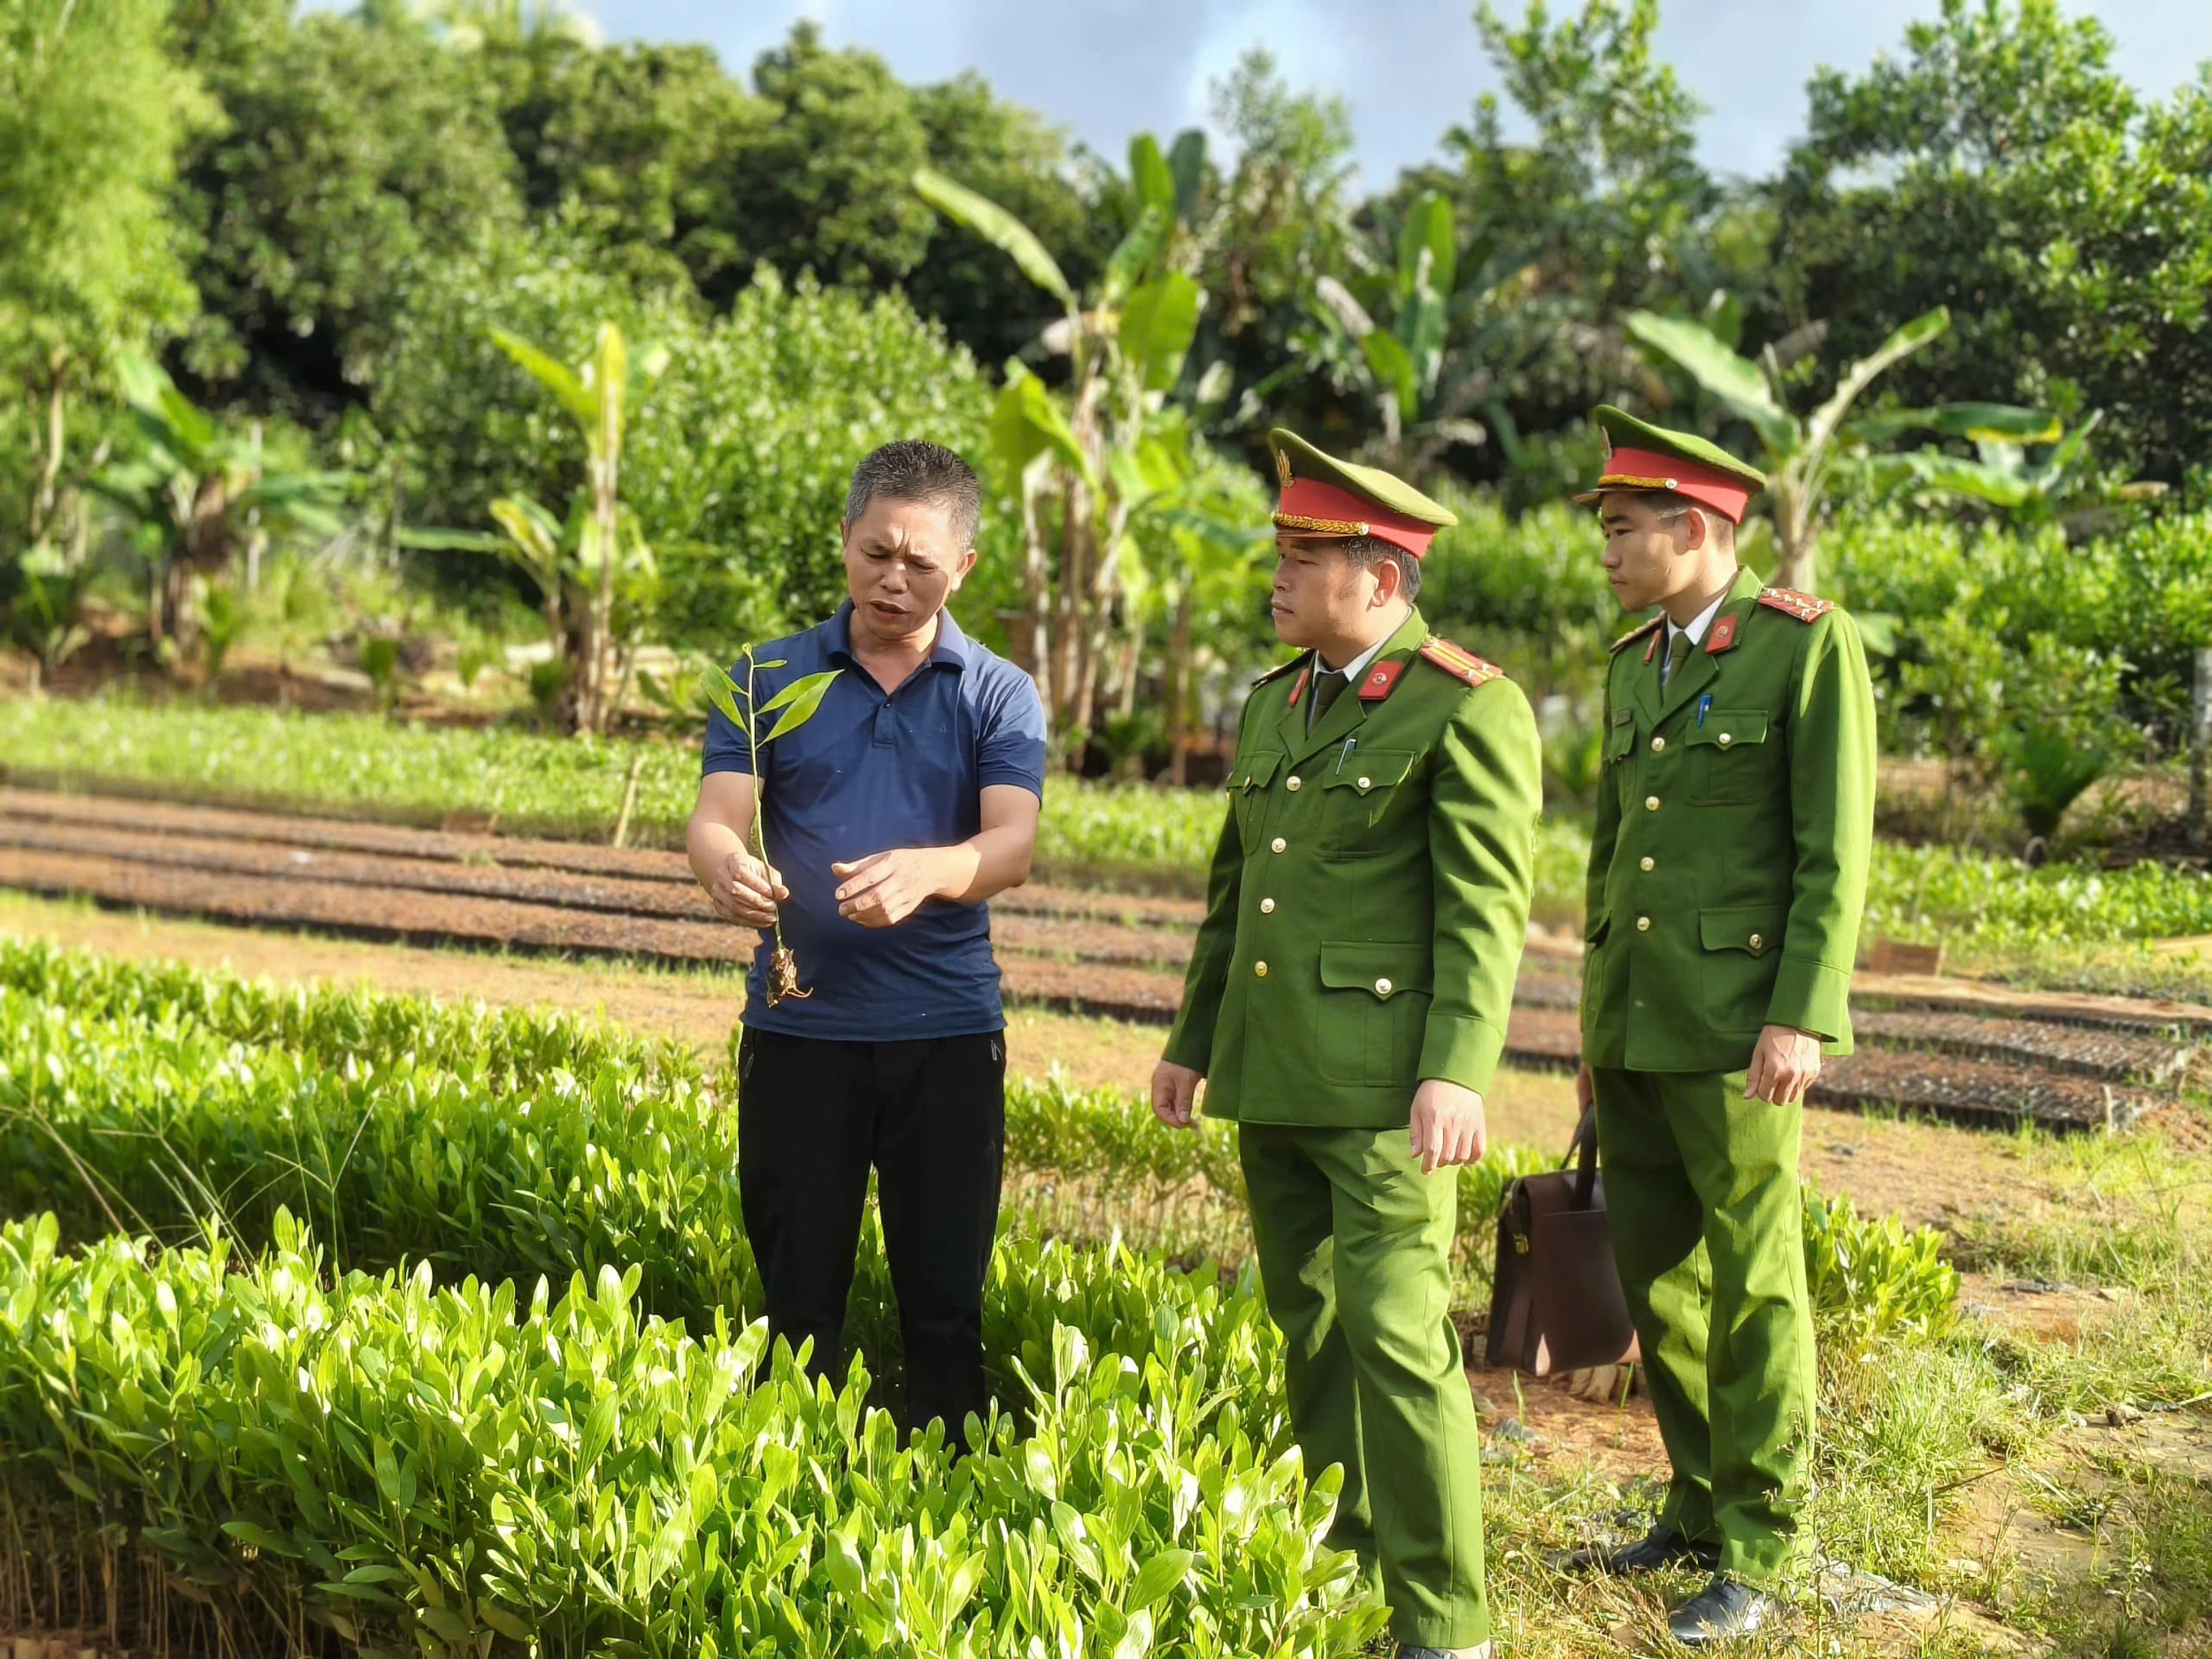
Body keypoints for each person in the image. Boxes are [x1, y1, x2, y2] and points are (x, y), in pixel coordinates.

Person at [1151, 429, 1541, 1659]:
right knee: (1309, 1328)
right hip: (1276, 1075)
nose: (1272, 572)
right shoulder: (1280, 703)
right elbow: (1238, 894)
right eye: (1276, 548)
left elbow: (1487, 907)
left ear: (1378, 576)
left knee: (1401, 1338)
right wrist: (1192, 1038)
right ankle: (1349, 1571)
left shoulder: (1466, 705)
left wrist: (1456, 1069)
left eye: (1298, 552)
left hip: (1385, 1091)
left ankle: (1446, 1621)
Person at [1560, 407, 1875, 1645]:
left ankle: (1760, 1535)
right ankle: (1692, 1502)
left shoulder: (1802, 646)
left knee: (1753, 1283)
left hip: (1744, 1029)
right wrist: (1593, 1025)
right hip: (1640, 1024)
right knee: (1657, 1274)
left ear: (1696, 528)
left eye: (1625, 528)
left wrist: (1802, 1014)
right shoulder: (1636, 663)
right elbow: (1607, 863)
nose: (1608, 550)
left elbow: (1831, 850)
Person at [687, 439, 1048, 1448]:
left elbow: (1010, 843)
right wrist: (721, 864)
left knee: (944, 1303)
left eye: (921, 563)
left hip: (945, 1033)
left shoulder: (997, 692)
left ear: (964, 567)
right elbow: (719, 813)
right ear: (845, 541)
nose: (894, 579)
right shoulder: (765, 677)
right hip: (801, 1032)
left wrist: (931, 870)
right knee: (795, 1304)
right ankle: (789, 1490)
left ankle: (946, 1499)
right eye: (875, 552)